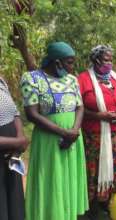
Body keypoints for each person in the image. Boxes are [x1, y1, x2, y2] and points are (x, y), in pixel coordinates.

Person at [20, 42, 88, 220]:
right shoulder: (32, 79)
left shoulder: (72, 79)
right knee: (50, 179)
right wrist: (63, 133)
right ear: (57, 62)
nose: (72, 67)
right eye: (70, 62)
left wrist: (73, 131)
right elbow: (32, 114)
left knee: (68, 179)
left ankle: (66, 214)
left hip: (73, 139)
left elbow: (80, 108)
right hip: (50, 140)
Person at [78, 45, 116, 218]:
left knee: (114, 170)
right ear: (96, 60)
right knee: (95, 171)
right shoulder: (84, 79)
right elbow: (77, 108)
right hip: (95, 138)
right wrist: (99, 115)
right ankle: (91, 206)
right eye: (106, 60)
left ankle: (106, 202)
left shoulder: (115, 78)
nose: (110, 63)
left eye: (111, 59)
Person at [0, 76, 29, 220]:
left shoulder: (1, 81)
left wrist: (20, 138)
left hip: (11, 156)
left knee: (14, 202)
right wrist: (16, 143)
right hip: (9, 147)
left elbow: (15, 113)